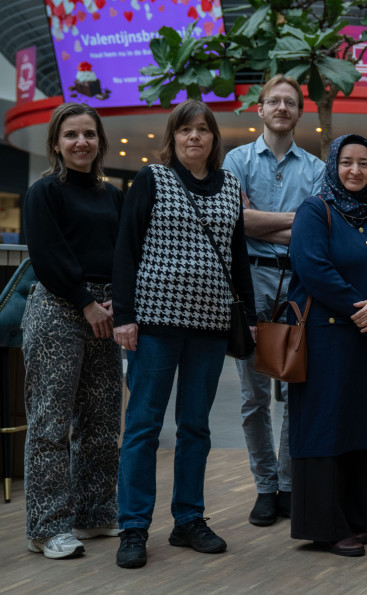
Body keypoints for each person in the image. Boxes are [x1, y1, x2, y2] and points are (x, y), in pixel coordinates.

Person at [111, 99, 256, 569]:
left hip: (212, 327)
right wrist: (125, 316)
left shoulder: (231, 186)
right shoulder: (152, 179)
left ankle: (188, 519)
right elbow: (126, 250)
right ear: (172, 137)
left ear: (214, 140)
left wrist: (249, 315)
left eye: (203, 130)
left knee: (196, 427)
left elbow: (237, 259)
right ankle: (133, 527)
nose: (194, 137)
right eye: (185, 130)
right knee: (143, 427)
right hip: (155, 324)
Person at [287, 134, 367, 557]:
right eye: (346, 162)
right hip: (326, 339)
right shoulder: (313, 210)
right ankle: (325, 526)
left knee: (363, 427)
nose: (355, 171)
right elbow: (314, 269)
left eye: (363, 163)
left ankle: (355, 519)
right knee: (326, 427)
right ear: (333, 166)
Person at [21, 103, 124, 559]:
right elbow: (47, 255)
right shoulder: (44, 192)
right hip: (60, 310)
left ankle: (96, 512)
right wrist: (86, 303)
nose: (81, 142)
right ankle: (47, 528)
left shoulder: (113, 194)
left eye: (88, 134)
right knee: (49, 423)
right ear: (56, 143)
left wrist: (116, 301)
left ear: (99, 141)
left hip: (107, 309)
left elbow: (125, 251)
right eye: (71, 135)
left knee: (102, 422)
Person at [223, 75, 324, 527]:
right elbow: (235, 222)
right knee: (253, 397)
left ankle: (287, 484)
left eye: (290, 102)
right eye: (273, 101)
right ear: (260, 109)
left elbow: (316, 230)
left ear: (299, 113)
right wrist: (292, 220)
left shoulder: (318, 168)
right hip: (250, 284)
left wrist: (259, 220)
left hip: (299, 287)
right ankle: (265, 486)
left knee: (296, 390)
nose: (282, 107)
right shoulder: (236, 160)